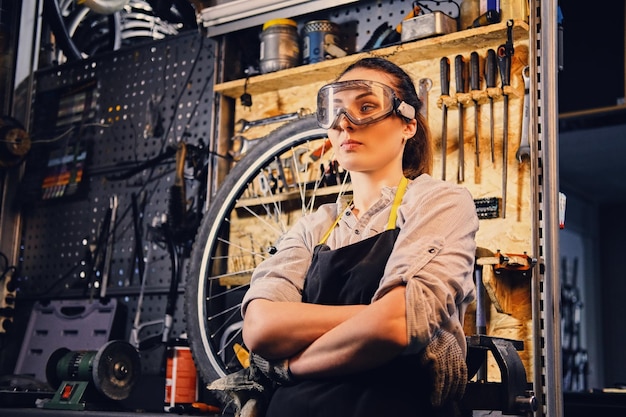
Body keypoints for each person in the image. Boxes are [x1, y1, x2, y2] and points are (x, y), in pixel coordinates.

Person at [231, 57, 479, 417]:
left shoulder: (437, 202)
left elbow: (394, 325)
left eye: (366, 107)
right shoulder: (314, 227)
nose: (345, 123)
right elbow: (260, 327)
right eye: (336, 111)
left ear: (407, 124)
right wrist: (383, 321)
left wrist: (290, 366)